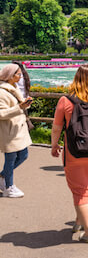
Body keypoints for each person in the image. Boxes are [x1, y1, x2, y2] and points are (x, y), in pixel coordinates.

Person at [51, 66, 88, 244]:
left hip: (74, 152)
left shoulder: (65, 100)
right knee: (87, 186)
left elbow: (56, 128)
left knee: (80, 191)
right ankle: (79, 221)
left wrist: (54, 145)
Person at [0, 64, 33, 198]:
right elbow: (1, 113)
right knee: (11, 158)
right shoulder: (2, 91)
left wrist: (24, 105)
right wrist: (19, 107)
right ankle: (9, 187)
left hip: (17, 130)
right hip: (9, 131)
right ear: (10, 76)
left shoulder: (12, 88)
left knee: (23, 155)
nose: (20, 77)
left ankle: (3, 176)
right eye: (18, 74)